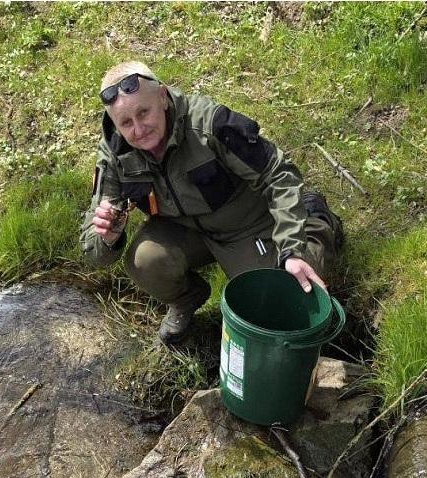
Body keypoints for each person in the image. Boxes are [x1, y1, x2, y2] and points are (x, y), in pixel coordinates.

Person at [81, 61, 342, 344]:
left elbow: (278, 174)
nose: (139, 129)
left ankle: (318, 220)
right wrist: (107, 237)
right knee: (144, 260)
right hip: (184, 231)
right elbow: (94, 251)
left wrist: (292, 249)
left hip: (247, 226)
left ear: (162, 97)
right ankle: (186, 300)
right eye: (126, 123)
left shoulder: (209, 124)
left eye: (144, 113)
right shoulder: (114, 153)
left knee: (283, 296)